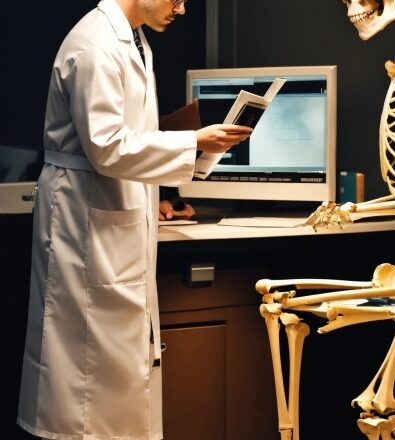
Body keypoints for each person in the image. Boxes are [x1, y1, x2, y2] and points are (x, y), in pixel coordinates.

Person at [17, 1, 252, 439]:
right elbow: (106, 146)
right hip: (83, 222)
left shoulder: (133, 41)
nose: (182, 10)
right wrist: (191, 142)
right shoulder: (95, 45)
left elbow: (129, 138)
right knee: (84, 388)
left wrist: (196, 152)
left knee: (120, 372)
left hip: (115, 209)